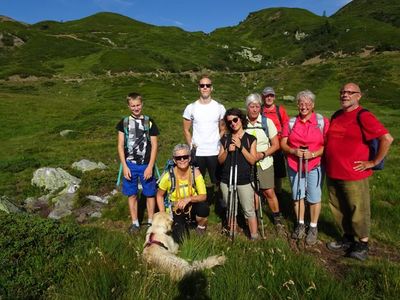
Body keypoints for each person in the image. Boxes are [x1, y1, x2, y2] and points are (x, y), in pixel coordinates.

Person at [325, 82, 393, 261]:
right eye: (342, 92)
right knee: (338, 208)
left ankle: (362, 244)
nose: (345, 95)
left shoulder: (364, 115)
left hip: (353, 174)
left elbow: (387, 138)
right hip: (333, 171)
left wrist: (373, 162)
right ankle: (347, 238)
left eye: (350, 92)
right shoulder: (337, 115)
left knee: (358, 209)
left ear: (358, 96)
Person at [281, 90, 329, 245]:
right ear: (297, 105)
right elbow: (283, 142)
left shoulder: (321, 122)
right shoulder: (290, 122)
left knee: (314, 196)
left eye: (307, 103)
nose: (304, 106)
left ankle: (313, 227)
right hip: (295, 164)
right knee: (297, 195)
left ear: (313, 105)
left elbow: (327, 145)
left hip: (315, 165)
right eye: (301, 103)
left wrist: (313, 154)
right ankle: (300, 224)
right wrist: (293, 151)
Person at [117, 92, 159, 234]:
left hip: (146, 164)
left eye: (138, 105)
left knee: (150, 194)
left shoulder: (149, 122)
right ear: (129, 106)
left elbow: (154, 146)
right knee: (132, 194)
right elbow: (120, 145)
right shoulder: (123, 123)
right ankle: (135, 223)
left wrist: (150, 166)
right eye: (133, 106)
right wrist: (124, 166)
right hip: (130, 165)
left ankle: (150, 222)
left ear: (142, 104)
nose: (136, 108)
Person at [245, 93, 284, 230]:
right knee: (252, 192)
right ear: (247, 108)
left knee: (268, 191)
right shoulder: (242, 122)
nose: (255, 109)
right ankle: (254, 216)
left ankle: (276, 217)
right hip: (247, 163)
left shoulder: (267, 122)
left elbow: (276, 144)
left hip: (265, 162)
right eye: (251, 106)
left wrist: (262, 154)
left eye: (257, 106)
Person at [218, 108, 258, 239]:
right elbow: (220, 160)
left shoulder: (250, 139)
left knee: (249, 210)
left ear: (241, 119)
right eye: (230, 122)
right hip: (227, 179)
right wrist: (227, 151)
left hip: (244, 180)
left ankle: (254, 236)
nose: (233, 123)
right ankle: (232, 233)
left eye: (235, 120)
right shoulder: (225, 139)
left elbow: (252, 160)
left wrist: (241, 147)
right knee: (230, 208)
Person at [157, 144, 209, 240]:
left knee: (204, 208)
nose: (182, 160)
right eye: (178, 158)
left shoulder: (195, 173)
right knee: (181, 239)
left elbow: (203, 196)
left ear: (189, 158)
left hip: (191, 205)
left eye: (185, 157)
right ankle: (182, 225)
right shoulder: (168, 176)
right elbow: (159, 195)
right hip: (176, 209)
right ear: (174, 160)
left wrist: (188, 199)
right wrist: (163, 214)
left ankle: (200, 228)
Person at [183, 76, 226, 186]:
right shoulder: (190, 108)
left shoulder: (219, 107)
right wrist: (191, 145)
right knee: (197, 183)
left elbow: (223, 129)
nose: (205, 88)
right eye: (202, 85)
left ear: (212, 88)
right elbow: (186, 130)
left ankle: (219, 203)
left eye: (208, 85)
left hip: (214, 151)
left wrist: (217, 141)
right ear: (199, 88)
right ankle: (198, 203)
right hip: (198, 152)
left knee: (218, 182)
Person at [261, 87, 290, 196]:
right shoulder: (260, 110)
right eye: (267, 96)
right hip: (264, 146)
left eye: (271, 95)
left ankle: (278, 193)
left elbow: (286, 126)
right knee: (264, 170)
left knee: (278, 173)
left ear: (274, 97)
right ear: (263, 97)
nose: (269, 98)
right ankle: (264, 193)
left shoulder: (280, 110)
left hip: (277, 147)